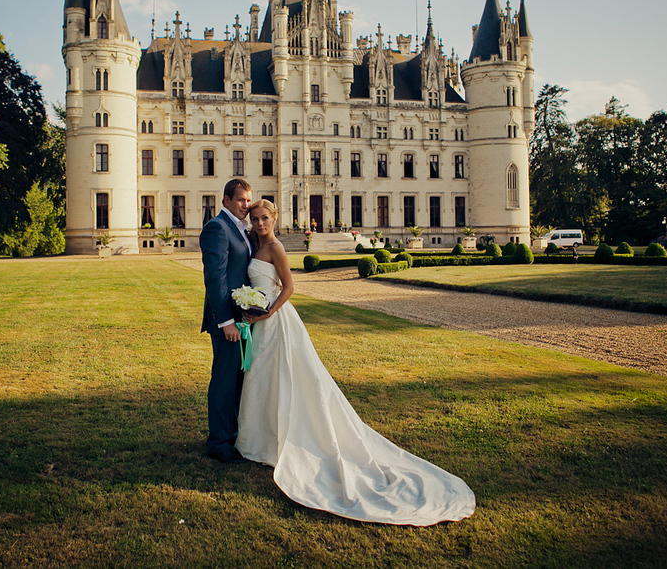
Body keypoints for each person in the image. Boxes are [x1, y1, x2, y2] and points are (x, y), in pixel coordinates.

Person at [237, 199, 476, 525]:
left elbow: (290, 287)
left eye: (264, 217)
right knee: (267, 377)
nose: (260, 222)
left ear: (275, 218)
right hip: (263, 321)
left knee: (283, 377)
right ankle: (264, 442)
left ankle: (276, 441)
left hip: (275, 319)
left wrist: (267, 311)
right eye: (256, 218)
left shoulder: (276, 246)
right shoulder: (256, 243)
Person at [199, 178, 253, 463]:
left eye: (248, 200)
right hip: (227, 322)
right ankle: (218, 444)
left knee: (236, 381)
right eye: (241, 200)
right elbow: (215, 278)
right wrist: (226, 322)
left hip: (241, 319)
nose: (246, 205)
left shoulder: (242, 229)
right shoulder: (217, 228)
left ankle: (230, 436)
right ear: (226, 201)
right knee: (223, 382)